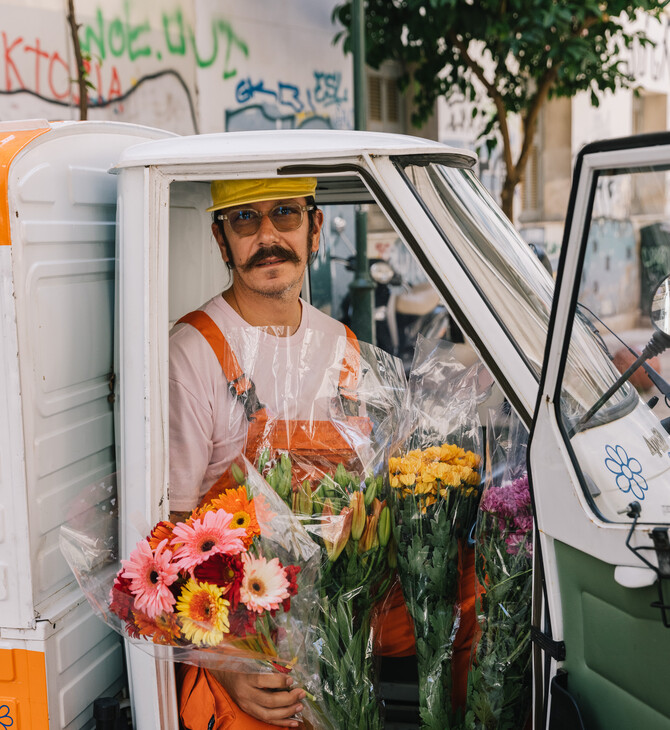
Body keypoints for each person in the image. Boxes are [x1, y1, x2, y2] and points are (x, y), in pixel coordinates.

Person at [169, 177, 360, 729]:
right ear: (220, 238)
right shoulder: (192, 353)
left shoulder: (343, 347)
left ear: (315, 227)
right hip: (240, 636)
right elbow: (171, 535)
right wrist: (224, 662)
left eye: (285, 214)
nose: (267, 236)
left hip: (339, 622)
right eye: (244, 219)